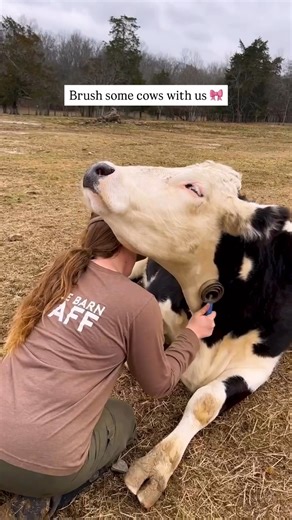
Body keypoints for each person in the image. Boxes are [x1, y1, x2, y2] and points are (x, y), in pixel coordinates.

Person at [0, 214, 216, 519]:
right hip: (45, 471)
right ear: (132, 241)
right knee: (122, 417)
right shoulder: (139, 304)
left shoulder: (59, 275)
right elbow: (158, 384)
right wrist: (193, 334)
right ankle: (48, 498)